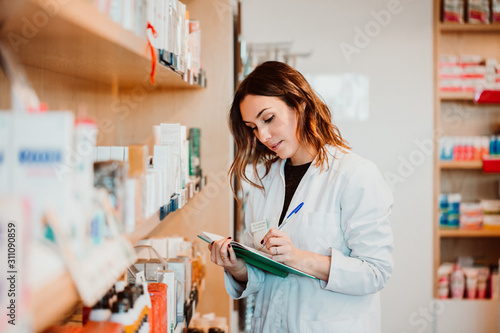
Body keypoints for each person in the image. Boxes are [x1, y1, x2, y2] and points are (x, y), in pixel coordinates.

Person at [208, 61, 393, 333]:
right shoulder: (263, 180)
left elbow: (376, 272)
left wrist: (297, 257)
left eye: (268, 119)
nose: (263, 136)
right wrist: (237, 267)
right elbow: (267, 271)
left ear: (300, 105)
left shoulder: (354, 175)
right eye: (253, 127)